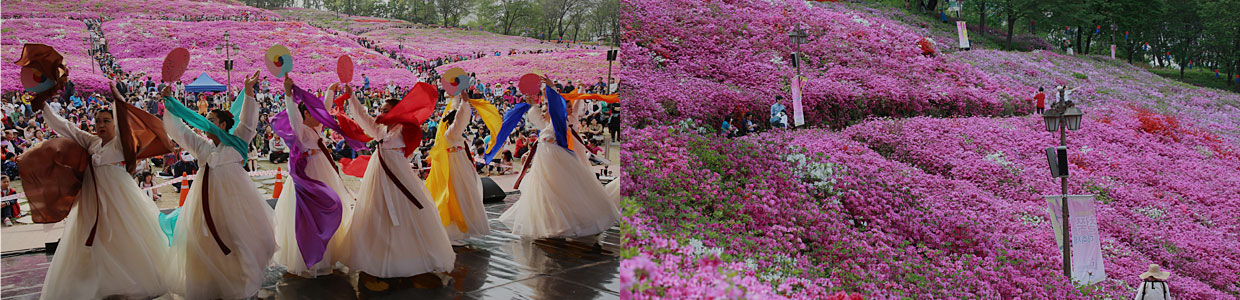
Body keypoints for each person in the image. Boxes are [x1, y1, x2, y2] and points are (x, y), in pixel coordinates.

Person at [39, 82, 169, 299]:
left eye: (106, 121)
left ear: (114, 124)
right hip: (92, 202)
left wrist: (119, 100)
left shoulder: (121, 144)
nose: (101, 124)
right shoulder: (92, 142)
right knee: (94, 241)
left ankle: (126, 283)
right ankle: (98, 283)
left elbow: (125, 123)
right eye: (98, 121)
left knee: (121, 238)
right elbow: (66, 127)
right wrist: (43, 106)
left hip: (118, 201)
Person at [159, 72, 277, 299]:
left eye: (211, 120)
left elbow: (248, 122)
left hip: (235, 200)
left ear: (223, 124)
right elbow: (179, 131)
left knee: (237, 239)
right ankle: (212, 285)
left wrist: (248, 92)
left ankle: (239, 284)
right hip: (204, 203)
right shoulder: (201, 146)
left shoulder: (238, 141)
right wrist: (169, 104)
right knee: (205, 241)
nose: (206, 123)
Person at [336, 82, 455, 278]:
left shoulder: (404, 129)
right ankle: (377, 256)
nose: (382, 114)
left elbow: (413, 125)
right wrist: (352, 97)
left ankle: (408, 256)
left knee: (404, 211)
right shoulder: (380, 129)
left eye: (386, 111)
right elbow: (362, 117)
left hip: (399, 174)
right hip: (378, 175)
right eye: (381, 110)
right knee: (376, 211)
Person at [498, 78, 620, 239]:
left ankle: (576, 221)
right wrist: (533, 103)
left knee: (564, 193)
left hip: (559, 164)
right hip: (544, 168)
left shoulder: (559, 123)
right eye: (543, 110)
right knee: (547, 196)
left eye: (545, 110)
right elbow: (537, 116)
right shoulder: (546, 127)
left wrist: (551, 89)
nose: (543, 112)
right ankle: (552, 224)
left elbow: (558, 108)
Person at [272, 75, 356, 278]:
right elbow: (293, 116)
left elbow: (324, 109)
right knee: (310, 217)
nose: (319, 116)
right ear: (305, 115)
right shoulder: (300, 131)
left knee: (328, 213)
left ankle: (328, 254)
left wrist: (330, 91)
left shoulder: (317, 129)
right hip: (308, 178)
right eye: (313, 113)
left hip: (324, 173)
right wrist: (288, 95)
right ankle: (309, 259)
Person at [428, 91, 492, 243]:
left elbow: (455, 112)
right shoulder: (451, 132)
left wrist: (456, 97)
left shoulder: (449, 132)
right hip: (455, 166)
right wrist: (464, 102)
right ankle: (454, 232)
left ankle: (459, 230)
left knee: (461, 195)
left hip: (459, 163)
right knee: (457, 196)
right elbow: (460, 118)